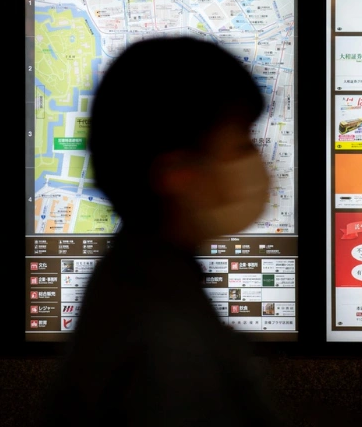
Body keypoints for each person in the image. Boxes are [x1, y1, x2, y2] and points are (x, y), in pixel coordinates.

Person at [43, 37, 285, 427]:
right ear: (176, 172)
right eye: (240, 146)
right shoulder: (165, 337)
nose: (259, 164)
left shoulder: (129, 280)